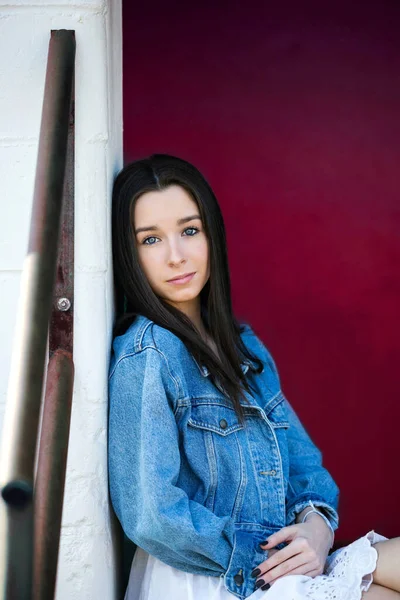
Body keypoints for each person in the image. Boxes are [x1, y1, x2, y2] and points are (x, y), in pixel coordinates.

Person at [108, 154, 400, 600]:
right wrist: (268, 559)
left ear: (211, 235)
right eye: (150, 240)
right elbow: (151, 513)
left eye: (190, 231)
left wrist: (318, 530)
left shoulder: (243, 346)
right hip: (219, 577)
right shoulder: (148, 353)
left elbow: (306, 469)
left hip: (278, 563)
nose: (175, 256)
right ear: (129, 254)